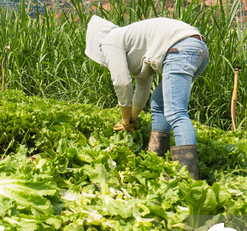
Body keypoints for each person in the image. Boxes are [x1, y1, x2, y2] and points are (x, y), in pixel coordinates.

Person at [84, 15, 209, 179]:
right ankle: (155, 157)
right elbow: (143, 88)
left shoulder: (109, 41)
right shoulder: (135, 46)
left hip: (180, 48)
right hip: (197, 48)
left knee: (176, 112)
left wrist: (125, 117)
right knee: (158, 103)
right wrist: (132, 119)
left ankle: (189, 178)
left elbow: (122, 82)